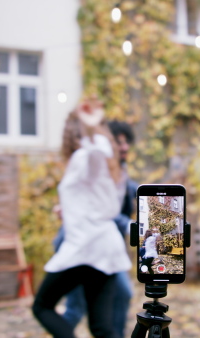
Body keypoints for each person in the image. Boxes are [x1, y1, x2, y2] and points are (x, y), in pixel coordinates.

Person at [32, 98, 131, 338]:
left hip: (86, 247)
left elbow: (95, 154)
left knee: (42, 306)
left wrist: (89, 129)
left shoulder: (85, 156)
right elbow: (96, 201)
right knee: (101, 327)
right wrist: (69, 211)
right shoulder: (104, 165)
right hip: (103, 246)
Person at [53, 120, 136, 338]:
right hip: (85, 247)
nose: (125, 147)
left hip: (101, 248)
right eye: (120, 143)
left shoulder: (121, 172)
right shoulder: (97, 164)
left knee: (109, 306)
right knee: (76, 309)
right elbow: (102, 207)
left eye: (127, 142)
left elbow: (128, 192)